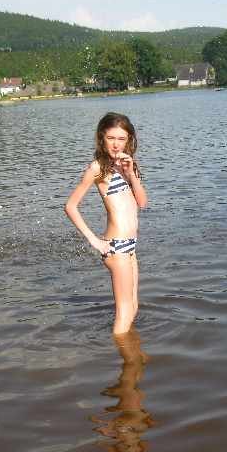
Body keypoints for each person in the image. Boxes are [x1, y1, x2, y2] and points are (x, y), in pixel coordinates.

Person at [65, 113, 148, 335]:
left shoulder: (129, 165)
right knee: (124, 312)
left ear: (129, 140)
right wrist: (95, 241)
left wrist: (131, 173)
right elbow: (70, 206)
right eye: (111, 138)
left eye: (121, 139)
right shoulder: (97, 168)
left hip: (130, 247)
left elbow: (142, 203)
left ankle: (131, 353)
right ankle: (125, 354)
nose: (116, 144)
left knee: (133, 307)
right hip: (115, 247)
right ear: (102, 137)